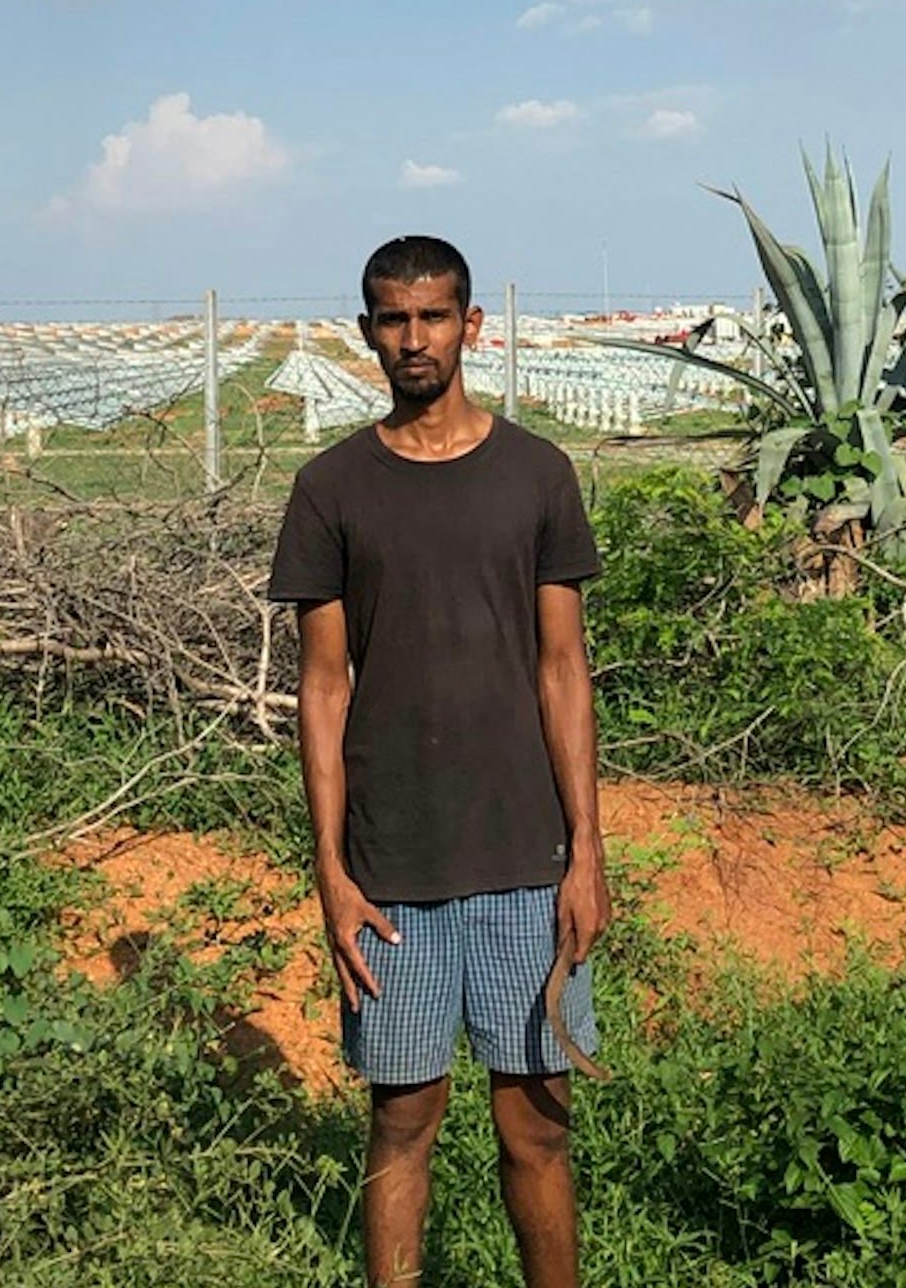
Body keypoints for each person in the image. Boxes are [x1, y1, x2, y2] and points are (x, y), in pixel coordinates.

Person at [267, 235, 609, 1288]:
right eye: (391, 319)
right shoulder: (332, 488)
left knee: (536, 1126)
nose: (412, 340)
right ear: (367, 330)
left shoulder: (537, 474)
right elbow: (324, 688)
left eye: (432, 317)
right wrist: (331, 871)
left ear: (470, 325)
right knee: (402, 1123)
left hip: (525, 856)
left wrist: (586, 851)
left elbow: (564, 669)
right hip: (393, 869)